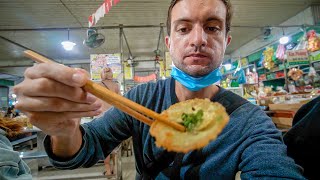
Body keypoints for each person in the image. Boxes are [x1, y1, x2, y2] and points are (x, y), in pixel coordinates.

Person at [13, 0, 306, 179]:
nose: (198, 39)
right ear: (169, 43)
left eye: (213, 27)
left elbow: (275, 169)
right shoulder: (143, 98)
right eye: (183, 28)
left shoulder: (250, 121)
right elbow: (87, 148)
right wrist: (64, 130)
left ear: (226, 40)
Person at [97, 67, 121, 176]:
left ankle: (108, 170)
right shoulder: (115, 86)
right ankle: (116, 169)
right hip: (113, 116)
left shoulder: (98, 85)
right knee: (115, 144)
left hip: (101, 117)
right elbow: (120, 101)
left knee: (104, 145)